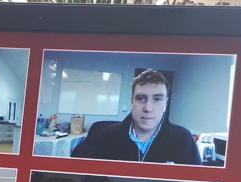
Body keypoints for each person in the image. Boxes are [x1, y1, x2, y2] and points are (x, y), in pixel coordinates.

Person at [71, 69, 200, 165]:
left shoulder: (183, 139)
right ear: (132, 101)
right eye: (141, 98)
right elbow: (76, 169)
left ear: (165, 103)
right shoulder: (105, 135)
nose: (148, 108)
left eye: (157, 99)